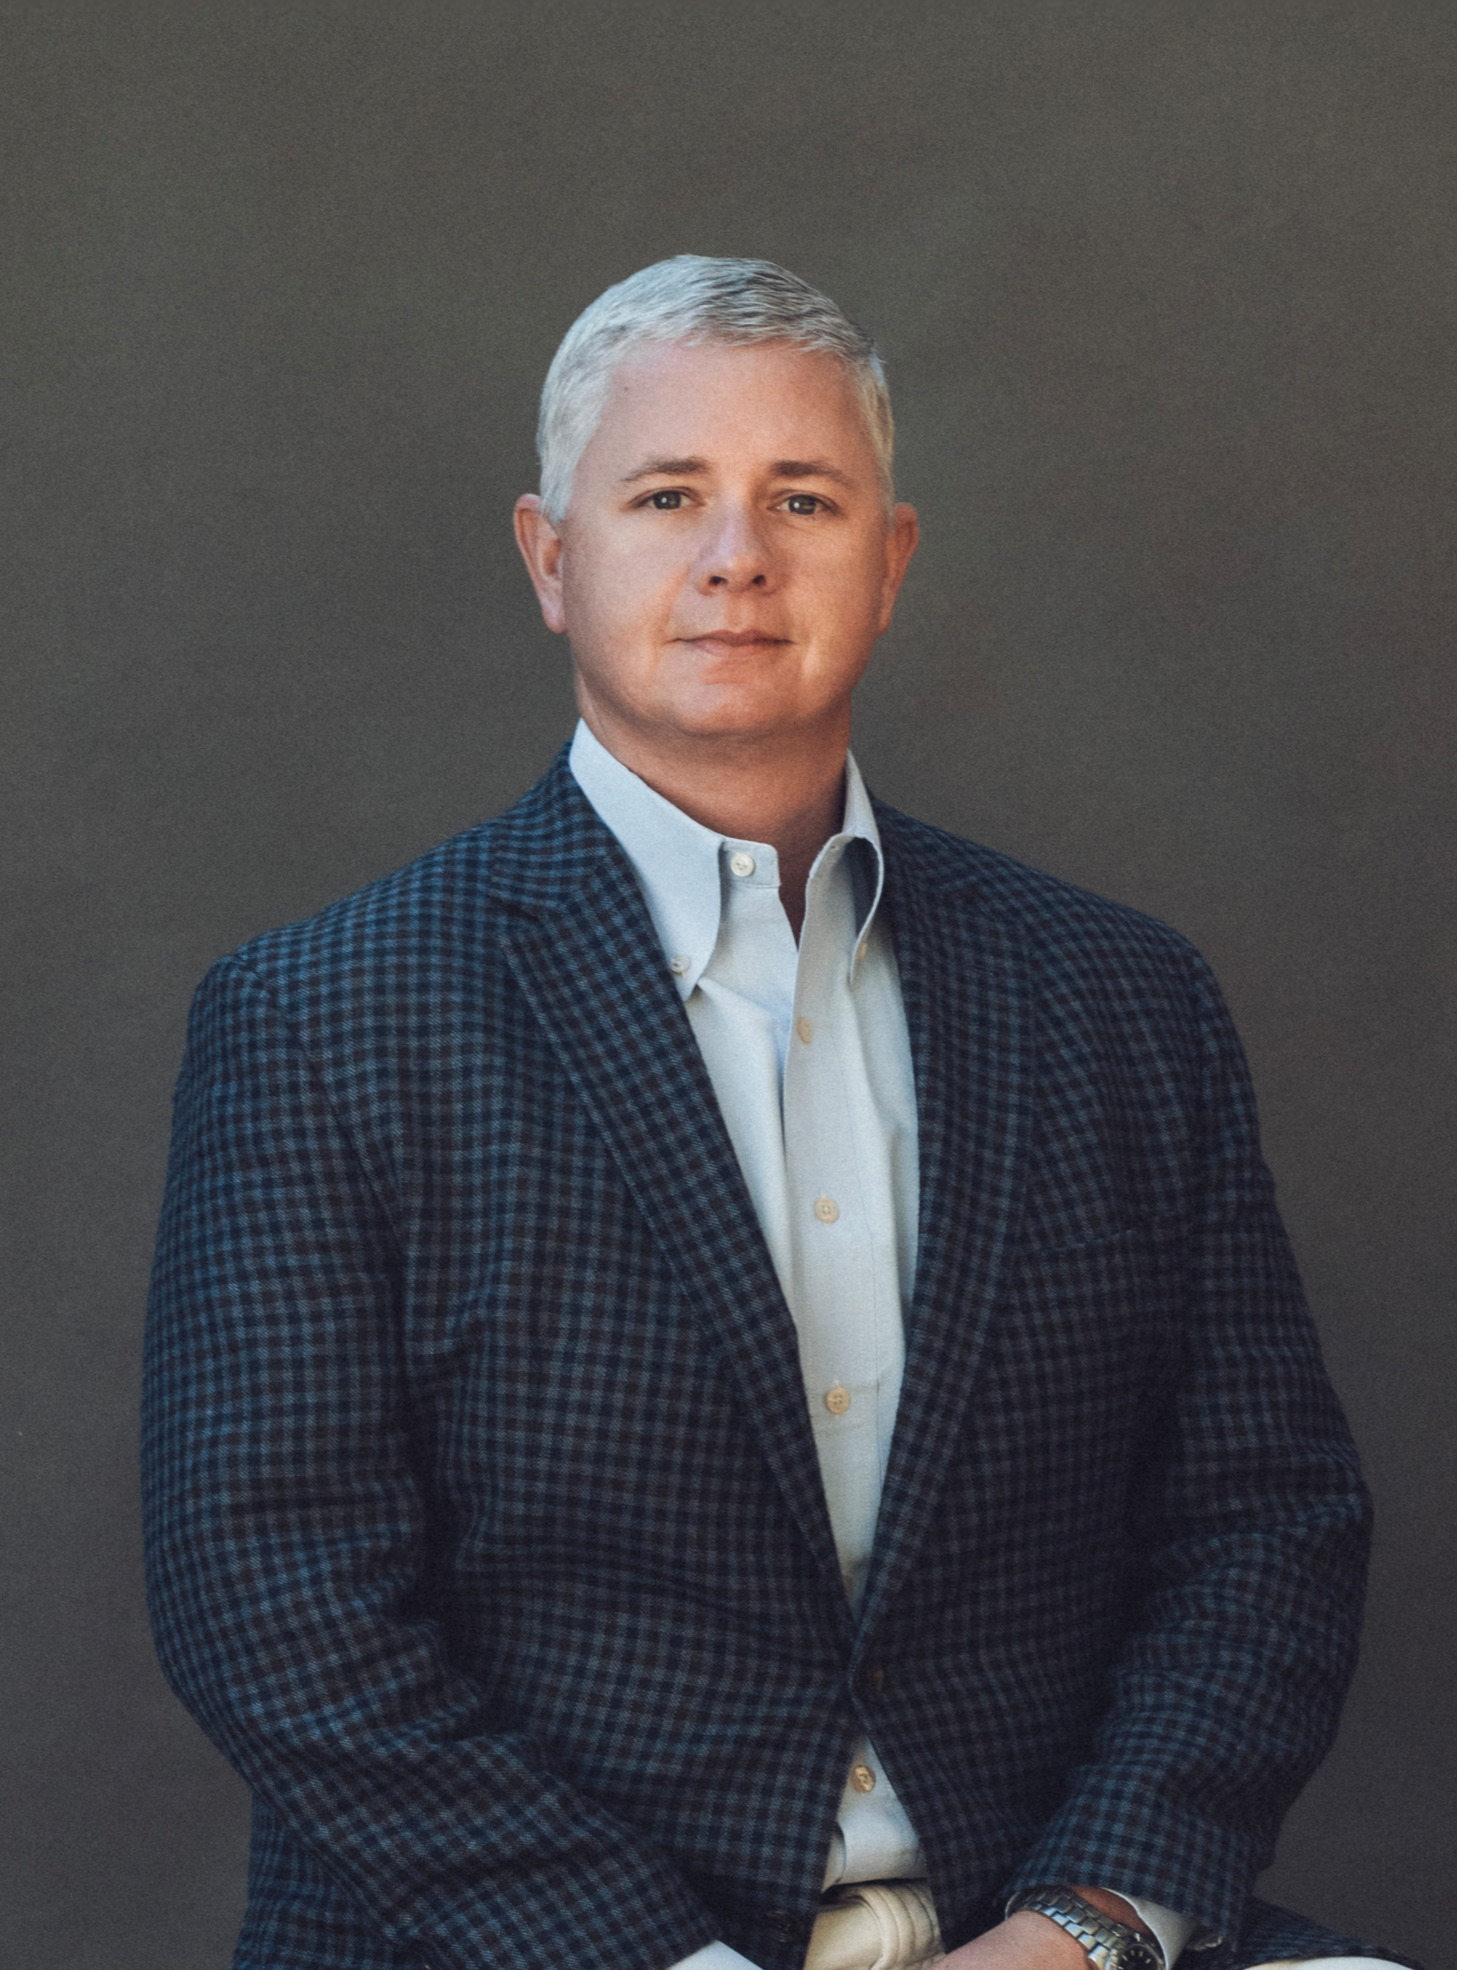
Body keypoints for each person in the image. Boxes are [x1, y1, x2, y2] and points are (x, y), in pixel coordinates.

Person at [142, 257, 1419, 1970]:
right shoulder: (323, 1019)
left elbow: (1261, 1526)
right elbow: (275, 1610)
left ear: (887, 564)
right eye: (666, 495)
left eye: (800, 499)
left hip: (1033, 1934)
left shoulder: (1122, 999)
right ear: (549, 557)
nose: (735, 554)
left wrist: (1085, 1920)